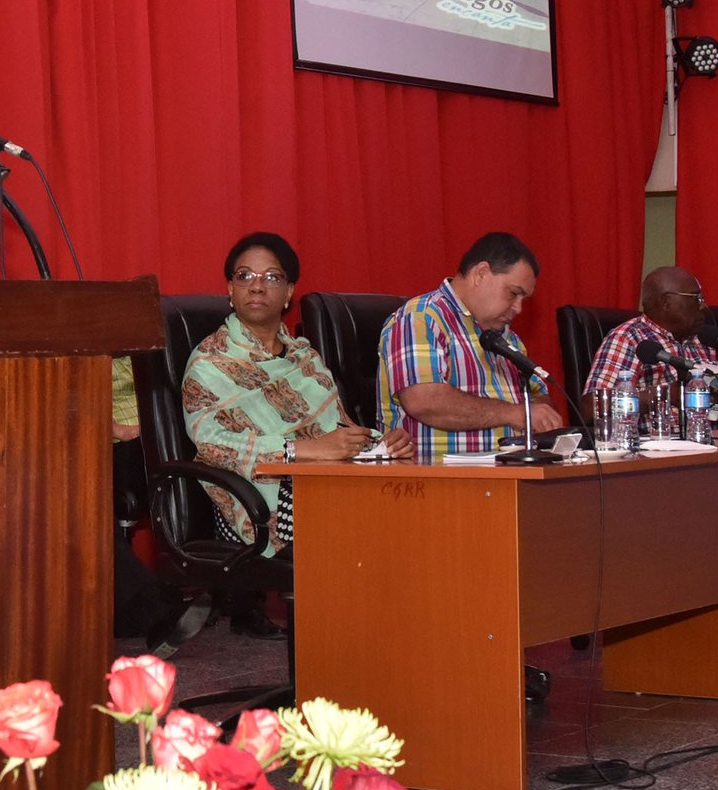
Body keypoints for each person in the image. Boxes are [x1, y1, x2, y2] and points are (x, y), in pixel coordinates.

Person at [181, 232, 413, 635]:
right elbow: (214, 446)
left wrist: (381, 442)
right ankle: (349, 651)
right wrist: (302, 451)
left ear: (288, 292)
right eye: (244, 275)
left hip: (331, 484)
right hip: (256, 499)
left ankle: (397, 650)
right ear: (230, 291)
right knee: (375, 535)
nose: (256, 284)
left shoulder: (305, 356)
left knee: (424, 514)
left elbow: (338, 430)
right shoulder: (208, 363)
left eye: (271, 277)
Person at [377, 232, 564, 459]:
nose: (518, 308)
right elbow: (424, 401)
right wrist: (515, 413)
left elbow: (539, 398)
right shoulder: (421, 318)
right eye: (513, 293)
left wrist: (540, 412)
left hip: (506, 477)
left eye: (523, 299)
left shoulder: (507, 338)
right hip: (439, 481)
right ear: (481, 274)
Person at [583, 266, 714, 418]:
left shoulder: (701, 339)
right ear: (666, 302)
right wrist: (664, 395)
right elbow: (591, 407)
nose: (704, 305)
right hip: (655, 439)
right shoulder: (630, 338)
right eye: (696, 298)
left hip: (710, 437)